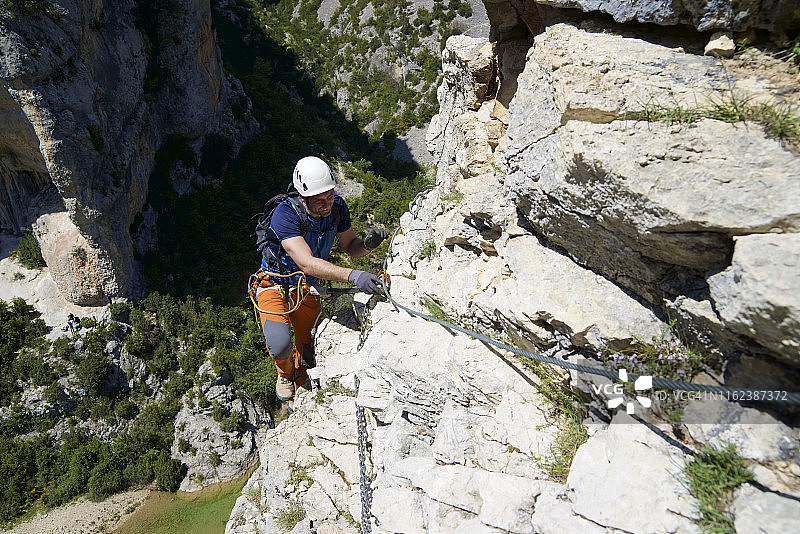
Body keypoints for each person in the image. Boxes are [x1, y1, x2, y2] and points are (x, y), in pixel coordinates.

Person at [254, 156, 388, 404]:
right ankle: (285, 374)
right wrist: (354, 276)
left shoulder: (337, 207)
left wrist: (367, 246)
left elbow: (350, 246)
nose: (326, 204)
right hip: (274, 284)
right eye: (319, 200)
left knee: (309, 348)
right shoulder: (285, 215)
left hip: (308, 288)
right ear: (303, 197)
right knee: (280, 343)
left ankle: (302, 384)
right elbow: (305, 262)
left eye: (329, 196)